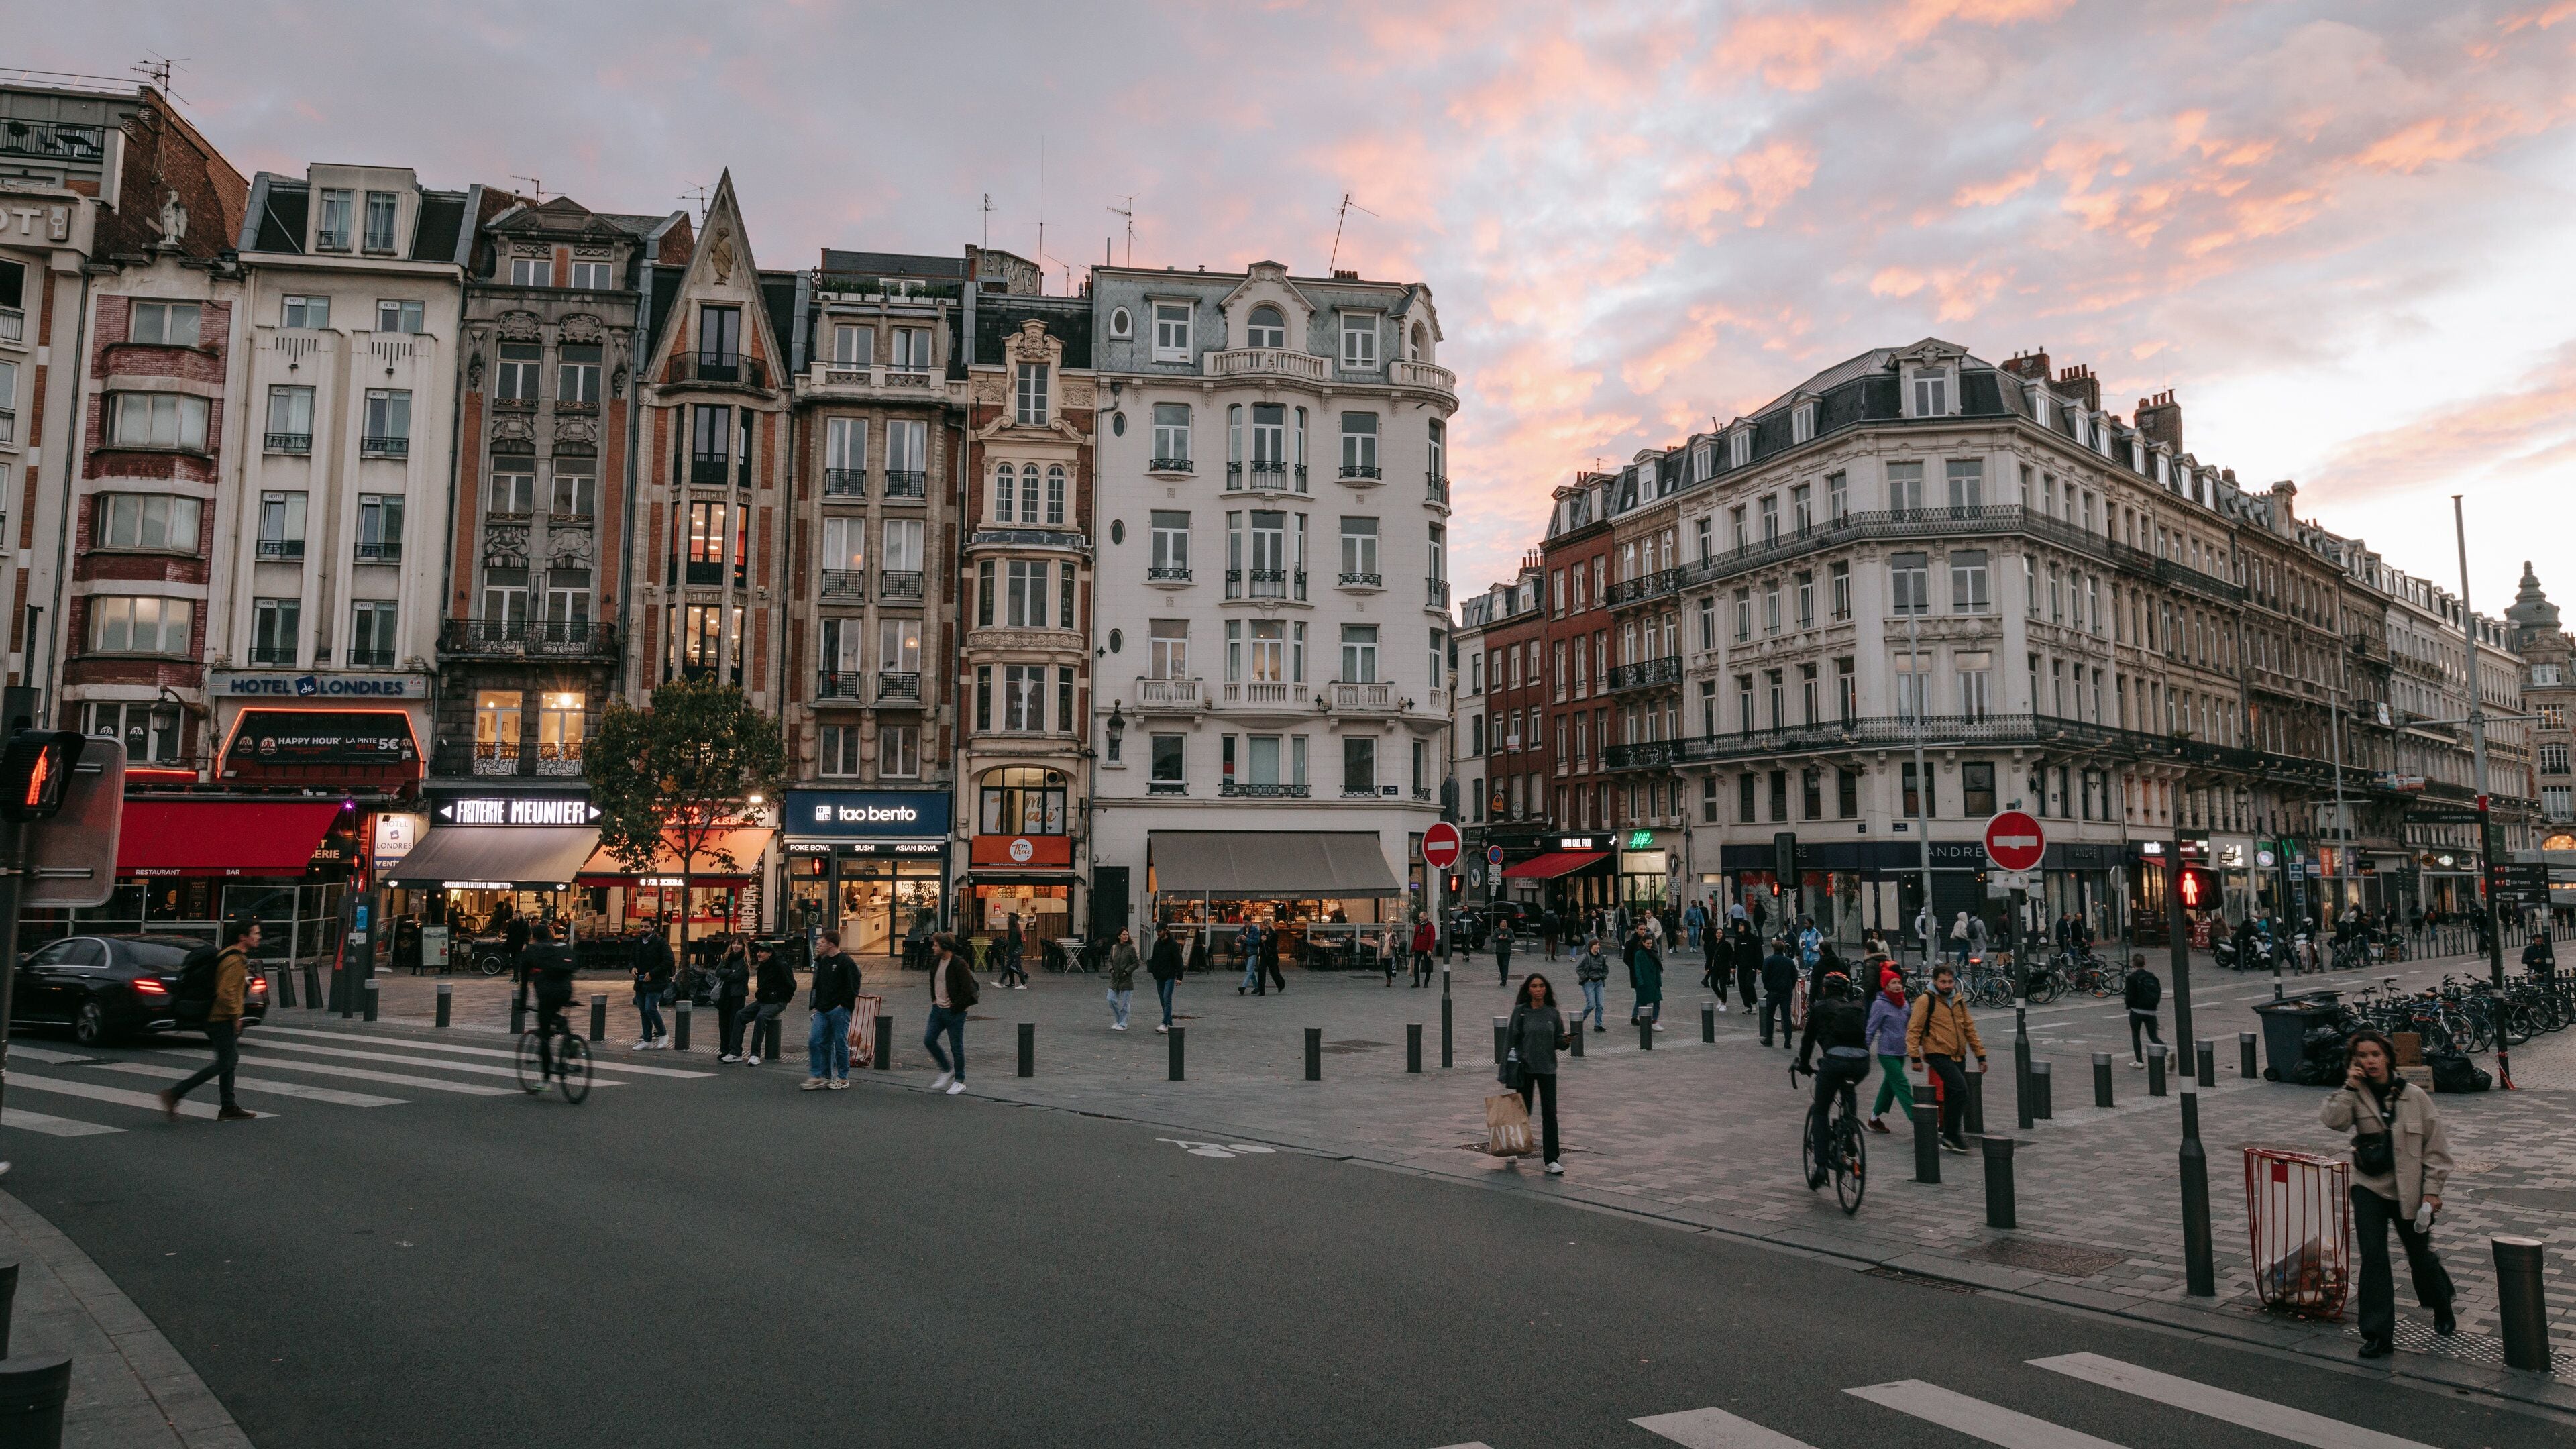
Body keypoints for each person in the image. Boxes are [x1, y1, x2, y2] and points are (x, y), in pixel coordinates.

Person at [2322, 1030, 2457, 1358]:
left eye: (2375, 1055)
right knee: (2374, 1258)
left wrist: (2433, 1192)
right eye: (2362, 1057)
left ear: (2387, 1057)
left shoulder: (2415, 1097)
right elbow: (2332, 1121)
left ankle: (2441, 1304)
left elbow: (2436, 1149)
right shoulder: (2355, 1094)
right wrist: (2349, 1086)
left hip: (2410, 1191)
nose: (2369, 1062)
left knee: (2420, 1259)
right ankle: (2378, 1334)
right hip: (2368, 1187)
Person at [159, 914, 259, 1122]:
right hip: (220, 1018)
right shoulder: (233, 960)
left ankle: (229, 1107)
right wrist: (236, 1016)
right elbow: (226, 993)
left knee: (229, 1061)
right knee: (226, 1061)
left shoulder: (230, 956)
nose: (259, 938)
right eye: (255, 934)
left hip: (218, 1016)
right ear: (243, 937)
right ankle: (175, 1093)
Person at [1793, 971, 1872, 1187]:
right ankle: (1849, 1135)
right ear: (1847, 991)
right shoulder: (1857, 1007)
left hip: (1834, 1062)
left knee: (1820, 1110)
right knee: (1849, 1089)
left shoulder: (1819, 1008)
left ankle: (1820, 1167)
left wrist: (1804, 1064)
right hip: (1861, 1063)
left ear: (1824, 989)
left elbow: (1808, 1041)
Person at [1906, 963, 1988, 1153]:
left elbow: (1969, 1028)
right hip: (1937, 1052)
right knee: (1960, 1091)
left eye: (1950, 981)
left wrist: (1980, 1054)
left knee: (1953, 1095)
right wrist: (1914, 1057)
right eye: (1943, 982)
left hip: (1958, 1054)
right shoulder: (1926, 1001)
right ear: (1935, 981)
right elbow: (1914, 1029)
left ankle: (1949, 1136)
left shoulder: (1958, 1000)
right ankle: (1952, 1135)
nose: (1947, 985)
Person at [1502, 973, 1570, 1175]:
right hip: (1525, 1068)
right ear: (1528, 990)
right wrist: (1507, 1069)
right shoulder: (1521, 1012)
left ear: (1546, 989)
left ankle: (1551, 1159)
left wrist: (1564, 1042)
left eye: (1541, 986)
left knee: (1550, 1114)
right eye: (1534, 986)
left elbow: (1558, 1040)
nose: (1538, 989)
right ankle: (1513, 1148)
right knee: (1522, 1110)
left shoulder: (1552, 1013)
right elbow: (1510, 1040)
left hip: (1548, 1068)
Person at [804, 930, 861, 1091]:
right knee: (815, 1040)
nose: (818, 944)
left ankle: (843, 1077)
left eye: (822, 942)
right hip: (823, 1008)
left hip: (838, 1009)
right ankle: (819, 1075)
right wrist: (817, 1003)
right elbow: (820, 984)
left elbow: (854, 985)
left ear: (830, 944)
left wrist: (843, 1005)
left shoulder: (845, 962)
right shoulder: (823, 961)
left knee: (839, 1042)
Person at [521, 918, 579, 1075]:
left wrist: (521, 1004)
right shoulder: (562, 947)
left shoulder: (532, 950)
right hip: (566, 990)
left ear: (534, 936)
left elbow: (524, 981)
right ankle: (570, 1040)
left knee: (544, 1032)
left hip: (546, 992)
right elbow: (575, 964)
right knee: (556, 1014)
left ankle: (547, 1075)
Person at [1864, 969, 1913, 1134]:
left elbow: (1911, 1027)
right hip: (1886, 1053)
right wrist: (1864, 1050)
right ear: (1886, 986)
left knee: (1889, 1086)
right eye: (1893, 983)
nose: (1898, 986)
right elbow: (1871, 1029)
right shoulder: (1880, 1004)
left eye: (1899, 983)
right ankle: (1917, 1119)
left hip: (1901, 1052)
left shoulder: (1905, 1004)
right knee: (1901, 1084)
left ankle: (1874, 1118)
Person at [924, 934, 975, 1094]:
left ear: (945, 947)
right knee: (929, 1040)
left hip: (955, 1012)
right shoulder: (936, 962)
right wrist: (934, 999)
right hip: (938, 1009)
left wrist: (957, 1006)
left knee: (956, 1046)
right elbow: (933, 981)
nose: (933, 947)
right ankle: (947, 1069)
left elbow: (968, 989)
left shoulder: (958, 964)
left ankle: (959, 1080)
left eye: (936, 945)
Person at [738, 941, 795, 1066]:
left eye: (762, 951)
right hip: (764, 1000)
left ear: (770, 953)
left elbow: (791, 985)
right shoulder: (763, 966)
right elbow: (762, 986)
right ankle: (735, 1052)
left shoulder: (780, 965)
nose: (759, 954)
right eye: (758, 951)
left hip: (777, 1001)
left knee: (761, 1017)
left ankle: (755, 1054)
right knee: (740, 1015)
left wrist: (779, 997)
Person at [631, 923, 674, 1049]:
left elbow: (669, 961)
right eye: (641, 926)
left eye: (646, 927)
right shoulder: (637, 943)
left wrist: (653, 974)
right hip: (640, 981)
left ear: (653, 928)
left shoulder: (661, 943)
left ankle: (663, 1034)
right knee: (643, 1011)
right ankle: (647, 1040)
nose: (643, 929)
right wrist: (632, 968)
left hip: (656, 982)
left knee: (650, 1008)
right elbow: (631, 959)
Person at [714, 936, 753, 1062]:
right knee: (723, 1023)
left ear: (743, 946)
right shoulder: (726, 957)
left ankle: (735, 1051)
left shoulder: (744, 960)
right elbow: (718, 972)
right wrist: (731, 971)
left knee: (734, 1023)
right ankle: (724, 1050)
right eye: (734, 943)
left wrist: (727, 975)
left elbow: (739, 976)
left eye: (739, 944)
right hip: (725, 995)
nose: (736, 946)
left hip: (737, 996)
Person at [2124, 955, 2165, 1068]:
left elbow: (2129, 997)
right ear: (2144, 963)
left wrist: (2128, 1005)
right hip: (2151, 1011)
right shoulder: (2152, 977)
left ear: (2133, 964)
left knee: (2136, 1035)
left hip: (2136, 1011)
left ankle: (2139, 1061)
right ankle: (2168, 1052)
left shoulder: (2131, 978)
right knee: (2153, 1037)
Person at [1758, 936, 1798, 1046]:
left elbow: (1764, 976)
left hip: (1773, 991)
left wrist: (1767, 987)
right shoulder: (1789, 962)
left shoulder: (1769, 960)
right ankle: (1788, 1041)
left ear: (1774, 949)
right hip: (1786, 992)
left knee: (1770, 1015)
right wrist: (1791, 986)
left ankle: (1769, 1039)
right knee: (1786, 1016)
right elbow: (1794, 976)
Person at [1148, 924, 1185, 1033]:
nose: (1158, 933)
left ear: (1166, 931)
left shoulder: (1173, 945)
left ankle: (1164, 1023)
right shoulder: (1157, 944)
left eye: (1160, 931)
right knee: (1162, 1000)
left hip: (1170, 976)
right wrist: (1154, 971)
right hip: (1159, 976)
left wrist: (1179, 977)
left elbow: (1179, 961)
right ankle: (1169, 1022)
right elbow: (1154, 958)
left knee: (1166, 998)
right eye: (1157, 931)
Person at [1627, 926, 1664, 1030]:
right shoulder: (1639, 954)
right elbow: (1637, 969)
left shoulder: (1653, 953)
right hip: (1644, 982)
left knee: (1657, 1001)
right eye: (1647, 943)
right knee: (1643, 1002)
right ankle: (1644, 1021)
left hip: (1653, 981)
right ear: (1643, 943)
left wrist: (1658, 981)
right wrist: (1640, 982)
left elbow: (1657, 967)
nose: (1649, 945)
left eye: (1651, 943)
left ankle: (1654, 1021)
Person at [1106, 928, 1140, 1030]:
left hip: (1126, 979)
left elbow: (1136, 963)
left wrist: (1127, 971)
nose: (1126, 936)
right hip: (1115, 978)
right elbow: (1110, 960)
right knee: (1111, 999)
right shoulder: (1114, 947)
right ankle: (1119, 1019)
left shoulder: (1131, 948)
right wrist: (1111, 969)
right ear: (1119, 936)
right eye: (1124, 935)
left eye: (1127, 935)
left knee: (1125, 1003)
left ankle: (1123, 1024)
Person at [1572, 936, 1609, 1032]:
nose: (1598, 946)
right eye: (1596, 945)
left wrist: (1603, 976)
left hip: (1599, 983)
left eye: (1598, 944)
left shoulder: (1601, 957)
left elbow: (1606, 968)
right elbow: (1578, 968)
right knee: (1591, 1004)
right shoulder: (1586, 956)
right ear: (1591, 946)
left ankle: (1598, 1025)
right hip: (1589, 983)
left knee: (1600, 1005)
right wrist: (1586, 978)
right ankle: (1580, 1020)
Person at [996, 914, 1028, 990]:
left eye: (1008, 919)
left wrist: (1009, 951)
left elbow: (1012, 942)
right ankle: (1009, 983)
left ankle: (1023, 983)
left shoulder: (1013, 930)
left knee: (1014, 966)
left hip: (1015, 950)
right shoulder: (1016, 928)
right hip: (1017, 950)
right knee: (1009, 966)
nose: (1007, 921)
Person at [1257, 921, 1286, 994]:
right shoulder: (1262, 933)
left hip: (1271, 955)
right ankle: (1261, 990)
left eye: (1266, 926)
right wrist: (1261, 941)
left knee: (1274, 972)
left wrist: (1266, 941)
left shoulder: (1274, 934)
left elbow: (1273, 945)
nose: (1264, 927)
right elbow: (1260, 945)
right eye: (1263, 926)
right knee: (1261, 972)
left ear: (1269, 926)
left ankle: (1281, 984)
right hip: (1264, 955)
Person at [1236, 918, 1263, 995]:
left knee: (1249, 970)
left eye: (1247, 923)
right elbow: (1237, 938)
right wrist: (1238, 939)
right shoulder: (1242, 929)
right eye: (1244, 923)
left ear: (1250, 922)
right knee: (1251, 971)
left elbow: (1256, 942)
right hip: (1245, 952)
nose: (1245, 925)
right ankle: (1257, 987)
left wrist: (1246, 939)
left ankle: (1243, 987)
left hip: (1252, 953)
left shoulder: (1255, 931)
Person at [1409, 914, 1435, 989]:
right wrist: (1413, 949)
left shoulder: (1430, 927)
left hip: (1426, 949)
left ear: (1426, 917)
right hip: (1418, 948)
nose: (1420, 918)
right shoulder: (1418, 927)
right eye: (1420, 917)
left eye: (1422, 917)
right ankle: (1417, 982)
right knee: (1416, 965)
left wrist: (1430, 949)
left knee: (1427, 966)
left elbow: (1432, 939)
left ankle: (1426, 983)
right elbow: (1415, 938)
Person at [1493, 916, 1514, 987]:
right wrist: (1498, 938)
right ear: (1500, 925)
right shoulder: (1497, 931)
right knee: (1500, 965)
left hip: (1507, 951)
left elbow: (1513, 939)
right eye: (1502, 926)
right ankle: (1503, 976)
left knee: (1505, 965)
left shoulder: (1509, 931)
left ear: (1507, 926)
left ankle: (1504, 979)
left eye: (1505, 927)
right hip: (1499, 951)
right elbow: (1493, 939)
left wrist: (1507, 938)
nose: (1503, 928)